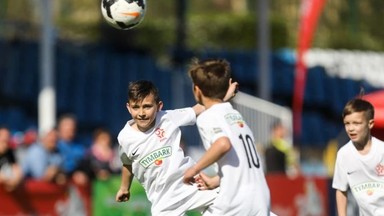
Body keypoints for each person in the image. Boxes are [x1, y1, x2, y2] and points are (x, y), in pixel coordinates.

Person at [115, 80, 237, 216]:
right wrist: (124, 188)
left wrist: (224, 96)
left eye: (147, 106)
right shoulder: (124, 137)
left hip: (191, 184)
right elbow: (127, 163)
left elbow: (199, 108)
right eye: (136, 107)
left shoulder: (168, 117)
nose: (141, 112)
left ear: (159, 106)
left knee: (230, 201)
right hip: (163, 200)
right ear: (128, 107)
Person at [183, 58, 271, 215]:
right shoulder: (234, 114)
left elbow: (223, 144)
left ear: (197, 90)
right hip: (260, 198)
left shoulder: (207, 117)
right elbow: (241, 162)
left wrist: (194, 169)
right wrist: (215, 180)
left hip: (235, 201)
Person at [332, 97, 384, 216]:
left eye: (356, 123)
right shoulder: (344, 154)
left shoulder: (382, 150)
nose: (351, 128)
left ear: (370, 124)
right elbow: (341, 190)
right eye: (347, 123)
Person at [56, 114, 88, 185]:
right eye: (67, 127)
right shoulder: (54, 146)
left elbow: (85, 164)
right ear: (60, 129)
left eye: (72, 127)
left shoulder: (80, 146)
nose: (70, 129)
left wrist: (82, 172)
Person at [0, 126, 23, 191]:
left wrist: (15, 180)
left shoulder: (10, 152)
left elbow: (17, 169)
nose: (6, 138)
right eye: (2, 136)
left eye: (8, 136)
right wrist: (7, 179)